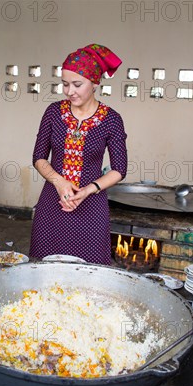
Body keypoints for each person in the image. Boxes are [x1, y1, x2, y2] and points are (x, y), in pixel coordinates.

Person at [29, 44, 128, 265]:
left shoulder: (111, 119)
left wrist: (87, 190)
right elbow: (39, 157)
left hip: (91, 207)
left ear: (95, 83)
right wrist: (59, 182)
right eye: (65, 84)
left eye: (77, 84)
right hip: (52, 204)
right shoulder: (54, 112)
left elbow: (119, 169)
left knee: (90, 273)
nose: (69, 91)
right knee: (44, 269)